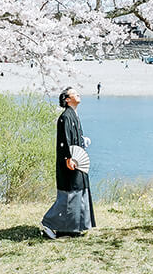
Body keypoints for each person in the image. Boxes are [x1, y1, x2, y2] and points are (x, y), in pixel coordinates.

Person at [41, 87, 95, 239]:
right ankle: (49, 223)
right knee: (68, 194)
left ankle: (71, 229)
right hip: (69, 161)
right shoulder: (65, 117)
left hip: (77, 160)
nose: (78, 94)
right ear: (67, 99)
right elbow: (64, 141)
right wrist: (68, 159)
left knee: (78, 191)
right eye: (74, 93)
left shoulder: (74, 115)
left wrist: (83, 141)